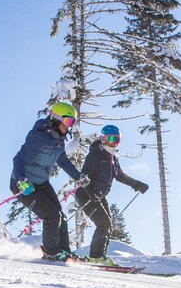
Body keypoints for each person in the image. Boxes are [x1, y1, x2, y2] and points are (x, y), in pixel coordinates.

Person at [11, 101, 88, 260]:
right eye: (67, 121)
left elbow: (63, 161)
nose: (69, 126)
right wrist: (21, 180)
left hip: (42, 183)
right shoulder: (39, 136)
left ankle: (64, 252)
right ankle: (51, 252)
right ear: (56, 119)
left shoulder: (59, 140)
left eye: (72, 122)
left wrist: (78, 176)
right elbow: (18, 159)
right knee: (52, 216)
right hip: (24, 184)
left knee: (61, 216)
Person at [75, 124, 148, 264]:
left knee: (108, 225)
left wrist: (137, 184)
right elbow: (84, 176)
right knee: (103, 223)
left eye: (116, 140)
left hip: (99, 195)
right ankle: (96, 257)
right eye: (110, 139)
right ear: (102, 139)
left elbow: (120, 176)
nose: (113, 142)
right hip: (86, 194)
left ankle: (99, 256)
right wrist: (90, 190)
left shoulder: (113, 159)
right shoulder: (95, 155)